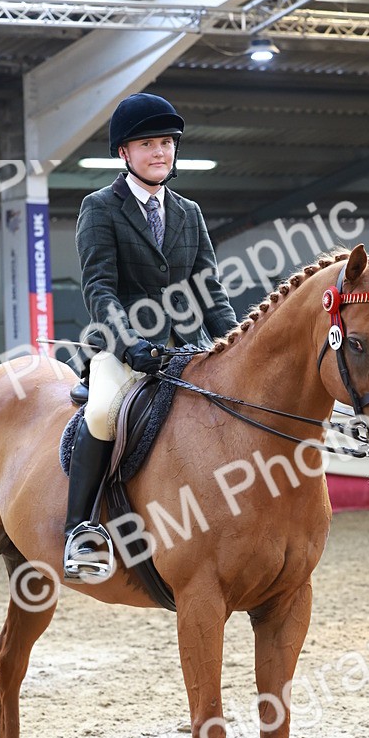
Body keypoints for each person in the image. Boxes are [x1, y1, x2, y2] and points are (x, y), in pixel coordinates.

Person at [64, 92, 239, 579]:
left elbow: (210, 291)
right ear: (124, 152)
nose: (160, 152)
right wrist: (129, 343)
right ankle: (79, 530)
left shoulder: (190, 212)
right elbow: (99, 288)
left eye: (166, 143)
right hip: (126, 352)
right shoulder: (99, 207)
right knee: (101, 413)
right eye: (147, 144)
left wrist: (235, 343)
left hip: (187, 348)